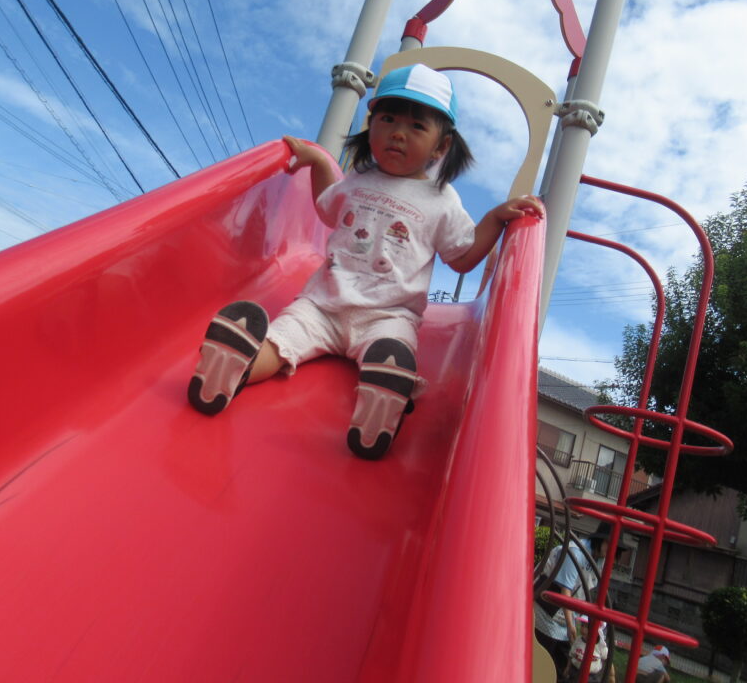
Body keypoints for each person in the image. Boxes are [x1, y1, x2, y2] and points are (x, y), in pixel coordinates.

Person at [187, 64, 545, 459]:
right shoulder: (358, 178)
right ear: (370, 126)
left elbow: (462, 257)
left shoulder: (442, 201)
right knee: (281, 338)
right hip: (322, 305)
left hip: (389, 314)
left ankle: (382, 402)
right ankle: (236, 367)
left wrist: (495, 219)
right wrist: (320, 163)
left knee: (391, 353)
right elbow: (327, 207)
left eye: (416, 126)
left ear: (441, 147)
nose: (398, 133)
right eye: (387, 119)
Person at [534, 524, 613, 678]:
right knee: (543, 656)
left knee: (564, 663)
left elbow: (589, 589)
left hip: (564, 615)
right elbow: (566, 589)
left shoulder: (600, 559)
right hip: (546, 607)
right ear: (600, 540)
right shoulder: (575, 553)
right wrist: (571, 625)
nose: (611, 551)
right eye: (609, 544)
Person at [562, 615, 614, 683]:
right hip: (575, 671)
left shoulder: (600, 645)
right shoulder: (578, 640)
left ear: (597, 630)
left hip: (591, 676)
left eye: (587, 627)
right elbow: (571, 655)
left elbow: (608, 659)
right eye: (582, 625)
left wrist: (612, 676)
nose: (583, 629)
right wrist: (567, 668)